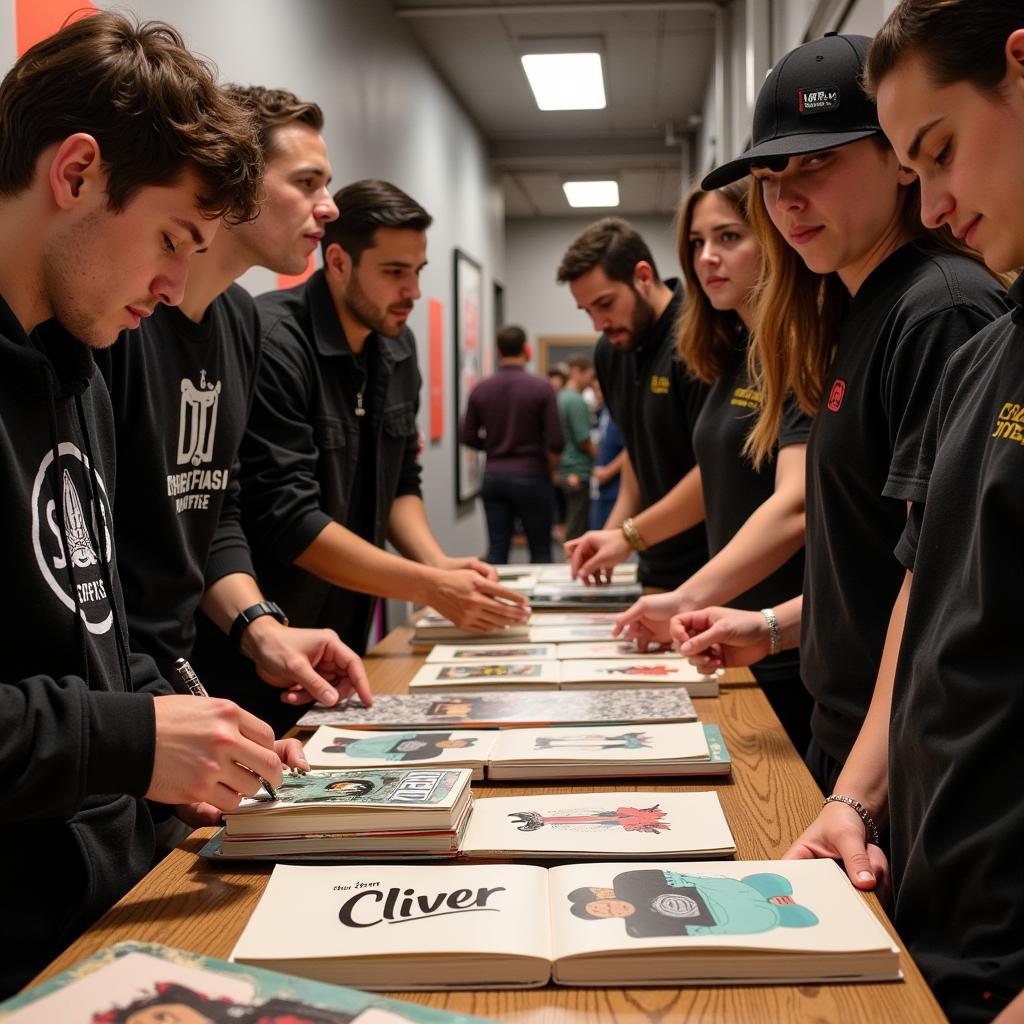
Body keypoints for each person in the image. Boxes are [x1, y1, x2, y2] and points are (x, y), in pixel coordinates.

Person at [0, 11, 305, 997]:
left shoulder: (84, 361)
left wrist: (206, 741)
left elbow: (90, 631)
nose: (173, 285)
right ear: (77, 172)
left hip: (104, 911)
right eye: (171, 238)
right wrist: (135, 739)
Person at [668, 33, 1007, 796]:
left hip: (897, 767)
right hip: (846, 738)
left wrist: (859, 796)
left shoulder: (941, 309)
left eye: (817, 162)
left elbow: (940, 585)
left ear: (898, 160)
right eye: (770, 175)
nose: (787, 198)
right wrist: (775, 627)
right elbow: (871, 563)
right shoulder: (857, 309)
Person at [784, 5, 1024, 1020]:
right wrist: (852, 796)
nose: (932, 205)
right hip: (932, 903)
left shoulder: (946, 307)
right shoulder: (987, 353)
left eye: (939, 152)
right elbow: (924, 596)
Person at [197, 180, 528, 733]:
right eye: (395, 272)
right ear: (338, 261)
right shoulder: (275, 338)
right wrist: (429, 587)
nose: (413, 292)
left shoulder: (397, 345)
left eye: (418, 272)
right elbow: (288, 520)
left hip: (345, 629)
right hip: (262, 636)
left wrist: (435, 562)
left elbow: (402, 480)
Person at [99, 86, 370, 716]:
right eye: (307, 183)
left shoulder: (241, 320)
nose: (328, 208)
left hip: (177, 673)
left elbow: (216, 508)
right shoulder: (119, 318)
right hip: (111, 694)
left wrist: (260, 626)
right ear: (237, 180)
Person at [602, 180, 813, 754]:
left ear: (772, 239)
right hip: (737, 629)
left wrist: (686, 595)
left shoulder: (800, 346)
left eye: (728, 237)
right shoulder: (737, 350)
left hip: (786, 635)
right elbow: (714, 478)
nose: (706, 258)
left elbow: (795, 506)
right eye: (697, 242)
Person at [558, 218, 709, 590]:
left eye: (605, 304)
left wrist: (627, 535)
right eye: (587, 310)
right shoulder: (611, 353)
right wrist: (607, 536)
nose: (598, 324)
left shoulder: (702, 334)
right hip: (655, 563)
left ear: (643, 276)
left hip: (713, 568)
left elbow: (719, 472)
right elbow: (636, 456)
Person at [460, 324, 564, 563]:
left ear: (497, 352)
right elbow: (556, 440)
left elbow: (467, 435)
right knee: (540, 549)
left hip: (495, 476)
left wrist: (495, 447)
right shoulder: (542, 388)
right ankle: (539, 601)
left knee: (497, 550)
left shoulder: (481, 389)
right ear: (527, 349)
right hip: (533, 475)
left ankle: (495, 599)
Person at [556, 354, 596, 542]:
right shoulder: (576, 401)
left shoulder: (561, 397)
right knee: (576, 527)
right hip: (577, 469)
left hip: (564, 468)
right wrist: (601, 457)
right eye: (589, 375)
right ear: (577, 372)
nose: (591, 381)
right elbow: (583, 439)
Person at [589, 378, 625, 530]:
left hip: (616, 488)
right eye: (594, 390)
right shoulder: (602, 412)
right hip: (600, 489)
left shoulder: (620, 412)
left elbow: (630, 451)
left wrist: (608, 471)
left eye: (600, 390)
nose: (597, 394)